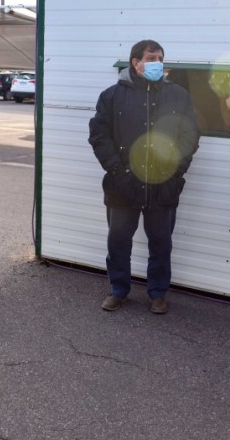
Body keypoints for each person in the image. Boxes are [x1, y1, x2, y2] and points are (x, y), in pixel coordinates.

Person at [88, 39, 199, 314]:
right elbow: (99, 136)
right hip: (122, 185)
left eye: (160, 57)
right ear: (135, 63)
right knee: (118, 242)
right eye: (151, 58)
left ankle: (158, 293)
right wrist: (117, 170)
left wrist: (175, 171)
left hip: (164, 186)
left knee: (161, 244)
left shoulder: (178, 95)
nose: (157, 63)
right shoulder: (112, 96)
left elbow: (190, 135)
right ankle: (118, 290)